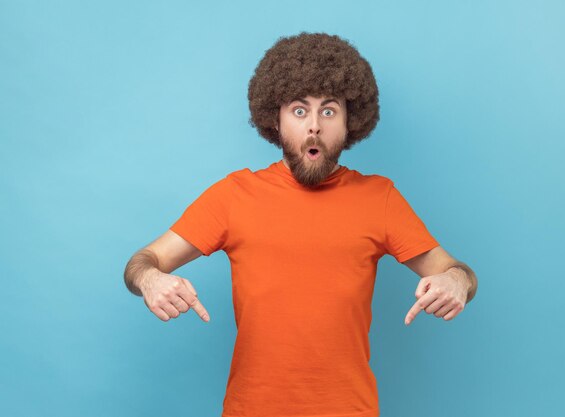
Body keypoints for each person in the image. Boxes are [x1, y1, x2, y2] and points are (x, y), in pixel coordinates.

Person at [124, 32, 478, 417]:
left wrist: (455, 281)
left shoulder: (380, 198)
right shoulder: (234, 195)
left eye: (328, 111)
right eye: (298, 110)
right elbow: (143, 261)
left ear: (349, 122)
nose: (313, 126)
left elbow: (455, 271)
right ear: (275, 120)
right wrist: (151, 281)